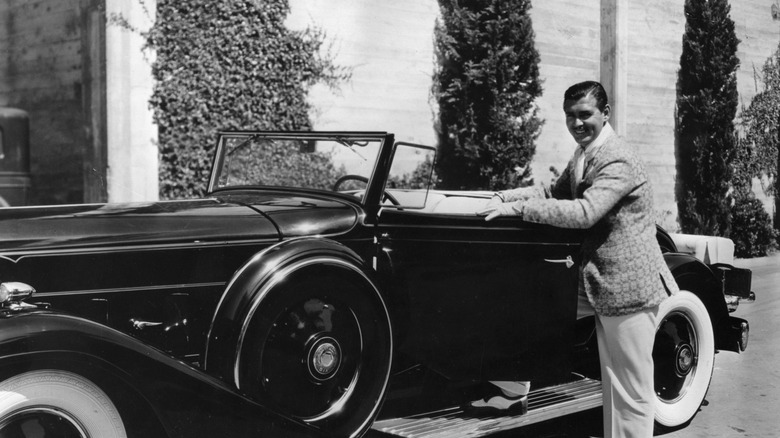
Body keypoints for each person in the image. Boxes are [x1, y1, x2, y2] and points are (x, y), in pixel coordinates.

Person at [476, 80, 679, 437]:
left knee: (628, 389)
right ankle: (512, 390)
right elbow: (552, 193)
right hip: (596, 280)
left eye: (585, 115)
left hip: (629, 287)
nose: (576, 123)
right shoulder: (586, 153)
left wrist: (520, 210)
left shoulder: (616, 156)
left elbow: (585, 212)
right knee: (526, 311)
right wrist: (501, 197)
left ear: (605, 114)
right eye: (570, 116)